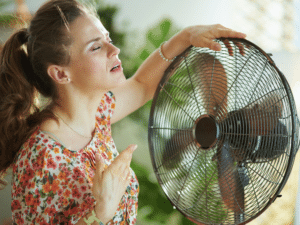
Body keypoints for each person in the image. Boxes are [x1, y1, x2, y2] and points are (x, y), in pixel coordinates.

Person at [0, 0, 246, 224]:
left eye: (107, 38)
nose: (113, 49)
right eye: (96, 47)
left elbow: (141, 86)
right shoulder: (43, 157)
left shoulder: (97, 113)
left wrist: (185, 37)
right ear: (61, 74)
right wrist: (101, 213)